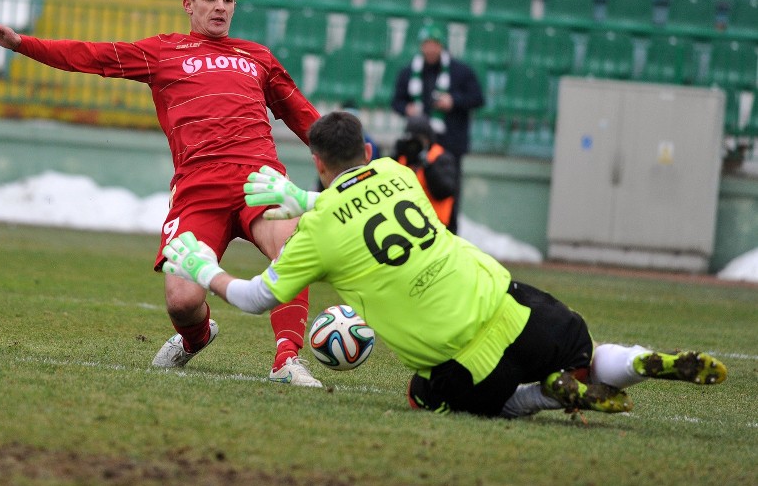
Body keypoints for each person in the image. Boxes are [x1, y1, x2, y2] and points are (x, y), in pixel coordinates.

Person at [159, 111, 728, 418]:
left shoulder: (318, 232)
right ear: (368, 149)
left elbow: (261, 296)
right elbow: (364, 201)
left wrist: (205, 268)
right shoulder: (401, 173)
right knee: (592, 352)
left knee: (427, 397)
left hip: (462, 359)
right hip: (514, 306)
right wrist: (304, 198)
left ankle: (543, 396)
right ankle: (632, 361)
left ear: (316, 160)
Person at [0, 0, 324, 386]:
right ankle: (195, 337)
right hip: (198, 189)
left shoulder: (258, 58)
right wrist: (21, 43)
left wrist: (350, 165)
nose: (220, 7)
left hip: (258, 179)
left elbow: (306, 119)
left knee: (292, 251)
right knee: (182, 300)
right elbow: (91, 56)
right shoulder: (162, 52)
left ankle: (286, 360)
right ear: (188, 5)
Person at [391, 23, 484, 233]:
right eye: (426, 44)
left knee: (448, 192)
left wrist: (454, 101)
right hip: (417, 144)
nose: (430, 49)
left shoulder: (461, 71)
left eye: (434, 44)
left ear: (441, 46)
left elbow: (477, 98)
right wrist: (407, 108)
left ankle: (449, 233)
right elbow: (396, 101)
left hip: (449, 144)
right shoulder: (409, 72)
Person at [393, 114, 458, 227]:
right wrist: (396, 154)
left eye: (418, 139)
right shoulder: (403, 158)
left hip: (438, 226)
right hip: (409, 225)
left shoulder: (441, 157)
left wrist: (426, 164)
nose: (414, 145)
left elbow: (444, 191)